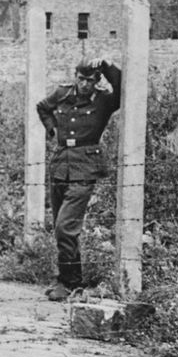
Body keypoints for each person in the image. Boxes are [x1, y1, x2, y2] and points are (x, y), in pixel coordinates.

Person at [36, 57, 122, 301]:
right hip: (61, 162)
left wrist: (106, 66)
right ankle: (65, 279)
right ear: (75, 76)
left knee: (66, 226)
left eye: (91, 80)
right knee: (60, 227)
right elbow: (42, 107)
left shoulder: (104, 100)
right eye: (81, 78)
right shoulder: (62, 94)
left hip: (86, 166)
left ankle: (72, 283)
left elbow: (125, 88)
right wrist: (52, 129)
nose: (85, 84)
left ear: (97, 82)